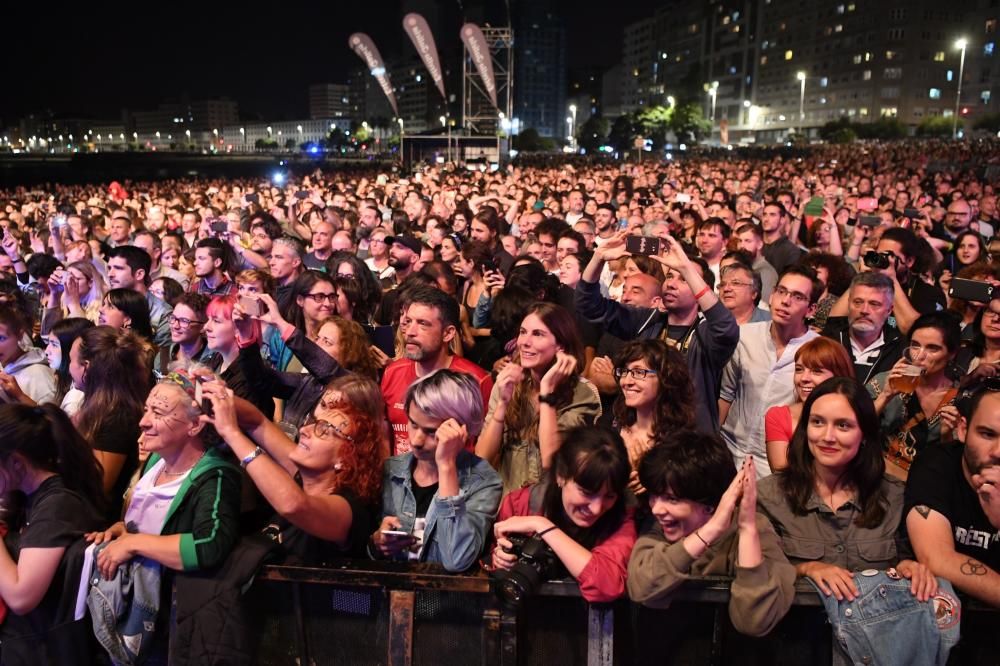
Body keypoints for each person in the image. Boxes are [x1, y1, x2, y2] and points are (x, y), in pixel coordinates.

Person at [87, 369, 242, 662]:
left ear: (195, 425)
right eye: (147, 409)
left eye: (157, 412)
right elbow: (152, 520)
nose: (144, 422)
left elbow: (209, 545)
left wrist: (135, 543)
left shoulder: (217, 475)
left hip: (167, 625)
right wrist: (122, 530)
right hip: (128, 603)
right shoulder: (157, 459)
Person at [757, 377, 937, 603]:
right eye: (818, 422)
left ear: (864, 434)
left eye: (843, 425)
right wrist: (806, 569)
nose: (827, 437)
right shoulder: (768, 495)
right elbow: (756, 574)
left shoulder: (895, 496)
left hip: (875, 632)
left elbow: (904, 559)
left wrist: (910, 567)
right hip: (796, 631)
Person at [626, 433, 796, 637]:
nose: (657, 509)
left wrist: (748, 530)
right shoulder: (660, 528)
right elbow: (641, 587)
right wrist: (710, 530)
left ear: (710, 504)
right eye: (654, 496)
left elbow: (754, 621)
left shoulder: (754, 528)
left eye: (671, 499)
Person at [204, 377, 384, 563]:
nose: (305, 430)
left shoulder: (351, 511)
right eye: (313, 422)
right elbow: (256, 422)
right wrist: (215, 395)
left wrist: (232, 434)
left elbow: (294, 505)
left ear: (345, 459)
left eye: (323, 429)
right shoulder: (304, 476)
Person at [576, 231, 738, 429]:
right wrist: (598, 257)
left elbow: (726, 328)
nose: (671, 283)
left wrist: (686, 266)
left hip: (687, 443)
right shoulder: (646, 320)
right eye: (669, 275)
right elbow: (588, 305)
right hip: (642, 433)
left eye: (684, 278)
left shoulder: (706, 335)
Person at [0, 404, 106, 665]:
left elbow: (21, 596)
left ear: (16, 462)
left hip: (37, 650)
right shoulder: (29, 497)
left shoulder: (58, 504)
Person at [372, 370, 502, 572]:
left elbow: (457, 559)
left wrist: (446, 465)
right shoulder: (391, 470)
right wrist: (376, 544)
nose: (416, 440)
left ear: (462, 431)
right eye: (413, 424)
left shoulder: (484, 481)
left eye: (431, 431)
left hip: (446, 602)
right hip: (393, 597)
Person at [490, 426, 637, 603]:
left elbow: (606, 585)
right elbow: (495, 571)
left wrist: (542, 526)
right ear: (560, 476)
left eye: (609, 495)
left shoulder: (622, 516)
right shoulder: (521, 504)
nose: (597, 508)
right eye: (587, 492)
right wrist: (501, 561)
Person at [477, 302, 601, 493]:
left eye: (537, 334)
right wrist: (502, 404)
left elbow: (551, 461)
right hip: (508, 504)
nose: (524, 342)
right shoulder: (509, 383)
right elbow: (482, 458)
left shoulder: (583, 394)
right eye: (523, 332)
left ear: (560, 344)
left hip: (552, 503)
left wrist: (547, 391)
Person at [903, 379, 1000, 608]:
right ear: (963, 430)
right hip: (945, 618)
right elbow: (936, 559)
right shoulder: (936, 465)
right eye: (987, 434)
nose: (998, 452)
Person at [720, 267, 822, 477]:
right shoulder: (745, 336)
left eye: (797, 297)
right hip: (728, 450)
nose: (785, 301)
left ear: (811, 309)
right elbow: (726, 395)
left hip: (774, 463)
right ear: (772, 295)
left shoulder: (817, 351)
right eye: (782, 292)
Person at [382, 286, 493, 455]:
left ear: (448, 333)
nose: (410, 332)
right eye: (408, 322)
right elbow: (384, 436)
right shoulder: (392, 372)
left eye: (423, 324)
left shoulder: (476, 381)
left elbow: (485, 451)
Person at [70, 326, 152, 520]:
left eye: (71, 359)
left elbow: (97, 488)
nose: (69, 365)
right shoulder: (101, 408)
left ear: (87, 367)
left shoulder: (117, 417)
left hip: (101, 524)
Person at [869, 312, 962, 480]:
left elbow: (955, 463)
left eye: (932, 348)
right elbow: (853, 427)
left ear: (952, 353)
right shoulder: (885, 382)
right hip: (876, 475)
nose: (920, 356)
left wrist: (946, 434)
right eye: (915, 345)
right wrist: (885, 396)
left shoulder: (960, 399)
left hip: (925, 483)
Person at [612, 339, 697, 495]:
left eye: (638, 372)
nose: (627, 381)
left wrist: (654, 480)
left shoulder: (682, 445)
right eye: (624, 371)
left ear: (665, 378)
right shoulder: (613, 429)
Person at [765, 337, 856, 472]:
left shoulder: (854, 417)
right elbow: (781, 475)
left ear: (838, 375)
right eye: (799, 369)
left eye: (816, 371)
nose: (804, 379)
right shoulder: (779, 416)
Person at [821, 272, 905, 383]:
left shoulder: (899, 349)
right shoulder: (828, 341)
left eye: (874, 304)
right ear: (848, 304)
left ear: (889, 310)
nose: (864, 310)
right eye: (858, 302)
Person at [0, 304, 57, 405]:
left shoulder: (40, 376)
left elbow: (53, 419)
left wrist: (20, 397)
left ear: (20, 335)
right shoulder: (5, 363)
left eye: (1, 338)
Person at [42, 316, 94, 414]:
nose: (47, 351)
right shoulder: (65, 380)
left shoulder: (76, 400)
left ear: (72, 348)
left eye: (54, 344)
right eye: (49, 343)